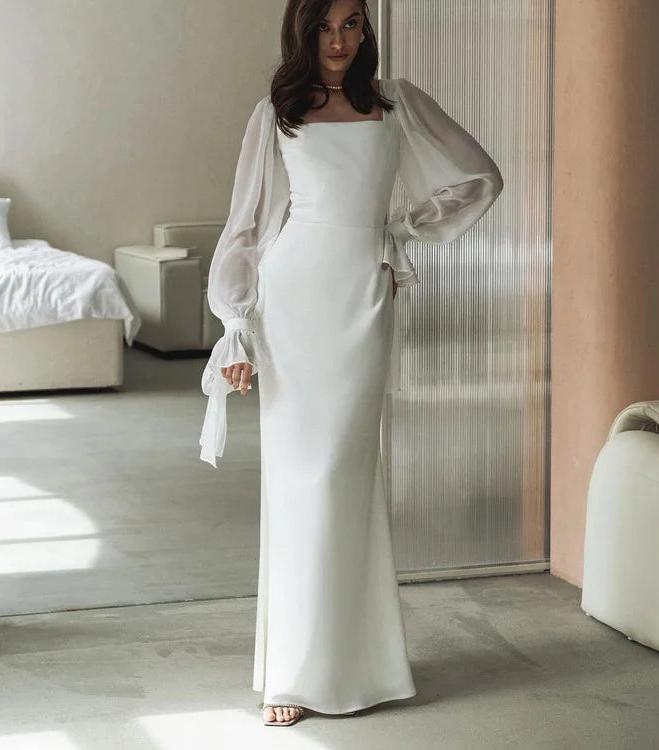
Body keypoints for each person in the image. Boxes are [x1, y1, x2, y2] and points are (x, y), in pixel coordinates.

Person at [198, 0, 503, 727]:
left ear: (366, 30)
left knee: (346, 473)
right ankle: (293, 674)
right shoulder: (277, 112)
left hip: (363, 299)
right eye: (324, 26)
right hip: (292, 299)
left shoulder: (396, 103)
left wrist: (396, 230)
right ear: (303, 32)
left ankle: (359, 666)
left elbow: (478, 177)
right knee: (298, 479)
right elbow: (246, 224)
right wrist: (236, 325)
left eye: (352, 24)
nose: (338, 40)